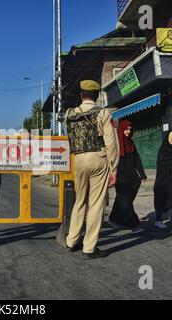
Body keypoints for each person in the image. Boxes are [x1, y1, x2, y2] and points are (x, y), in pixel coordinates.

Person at [64, 80, 119, 259]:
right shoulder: (102, 112)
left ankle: (71, 240)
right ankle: (89, 247)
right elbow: (111, 143)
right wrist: (114, 168)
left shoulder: (69, 114)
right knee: (96, 204)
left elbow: (70, 138)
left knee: (80, 200)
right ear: (96, 95)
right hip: (98, 159)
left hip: (78, 160)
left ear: (81, 95)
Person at [108, 120, 147, 233]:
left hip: (133, 178)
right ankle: (133, 224)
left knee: (123, 199)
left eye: (130, 129)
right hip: (120, 176)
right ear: (121, 129)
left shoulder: (131, 143)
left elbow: (137, 160)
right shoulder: (116, 144)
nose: (128, 131)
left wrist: (142, 174)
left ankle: (113, 219)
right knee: (125, 200)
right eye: (126, 129)